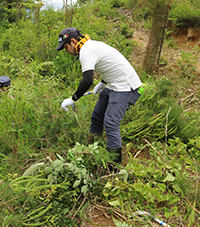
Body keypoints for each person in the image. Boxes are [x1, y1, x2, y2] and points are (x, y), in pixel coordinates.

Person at [56, 27, 142, 166]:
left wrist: (73, 99)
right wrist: (102, 82)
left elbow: (87, 80)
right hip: (114, 84)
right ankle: (92, 149)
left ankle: (113, 165)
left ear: (72, 41)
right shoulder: (92, 46)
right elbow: (110, 64)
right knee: (97, 116)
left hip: (126, 86)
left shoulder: (86, 50)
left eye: (66, 47)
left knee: (111, 122)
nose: (66, 51)